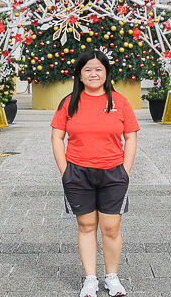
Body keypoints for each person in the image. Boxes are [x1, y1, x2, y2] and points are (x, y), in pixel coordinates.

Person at [51, 50, 139, 297]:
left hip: (113, 173)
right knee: (86, 226)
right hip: (78, 173)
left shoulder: (119, 102)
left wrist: (126, 170)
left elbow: (131, 136)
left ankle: (112, 277)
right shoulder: (69, 103)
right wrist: (64, 171)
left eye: (99, 69)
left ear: (106, 73)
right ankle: (90, 279)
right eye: (88, 69)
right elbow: (57, 137)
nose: (93, 74)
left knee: (111, 228)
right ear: (79, 75)